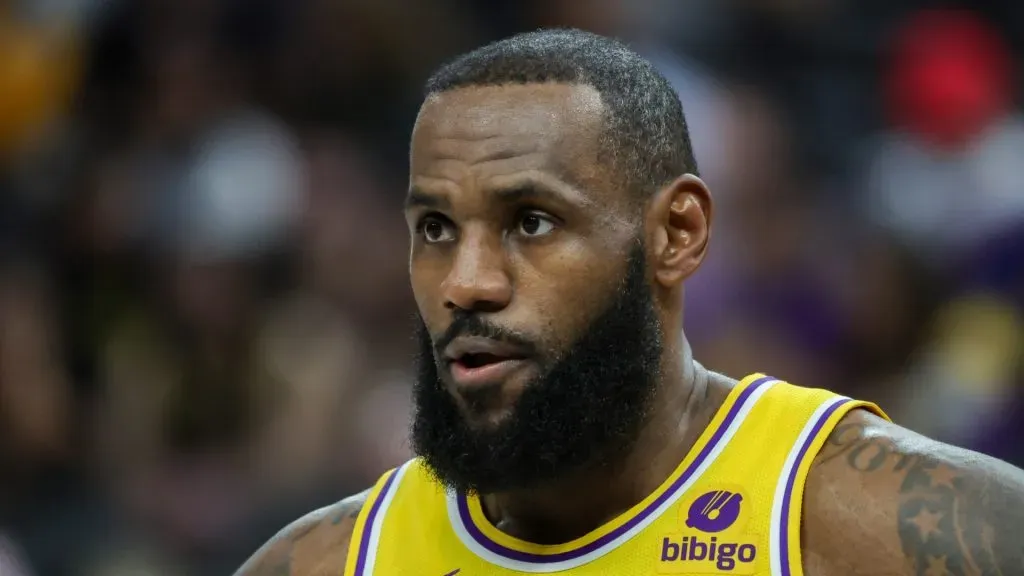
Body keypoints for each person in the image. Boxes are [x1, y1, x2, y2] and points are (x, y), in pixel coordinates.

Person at [235, 28, 1024, 575]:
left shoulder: (878, 521)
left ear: (675, 234)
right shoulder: (328, 562)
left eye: (531, 221)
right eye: (436, 228)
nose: (466, 282)